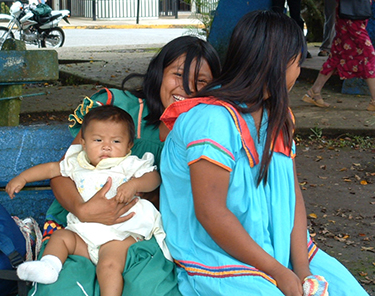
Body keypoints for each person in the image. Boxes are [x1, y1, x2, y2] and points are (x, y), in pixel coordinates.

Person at [159, 10, 369, 296]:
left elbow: (292, 196)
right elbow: (211, 213)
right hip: (221, 260)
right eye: (298, 61)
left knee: (346, 291)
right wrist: (278, 272)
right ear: (278, 65)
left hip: (281, 253)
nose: (298, 71)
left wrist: (304, 271)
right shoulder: (211, 120)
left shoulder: (279, 117)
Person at [32, 36, 221, 296]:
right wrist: (83, 210)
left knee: (149, 289)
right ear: (159, 73)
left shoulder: (210, 129)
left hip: (142, 237)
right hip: (79, 231)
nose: (188, 88)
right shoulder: (119, 111)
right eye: (178, 74)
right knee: (64, 289)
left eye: (201, 81)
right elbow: (63, 172)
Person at [6, 105, 171, 296]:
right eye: (98, 140)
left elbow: (153, 177)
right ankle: (49, 267)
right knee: (61, 238)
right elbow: (51, 169)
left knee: (108, 266)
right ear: (83, 143)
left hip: (118, 234)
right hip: (83, 234)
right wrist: (23, 178)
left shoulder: (129, 164)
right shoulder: (77, 162)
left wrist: (135, 185)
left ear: (129, 146)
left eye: (116, 141)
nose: (106, 146)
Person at [302, 0, 375, 110]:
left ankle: (314, 91)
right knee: (369, 54)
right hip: (351, 14)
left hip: (350, 12)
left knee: (337, 54)